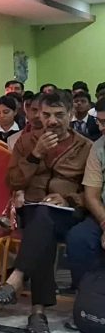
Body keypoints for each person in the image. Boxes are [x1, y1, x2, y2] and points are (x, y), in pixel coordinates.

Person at [0, 92, 91, 333]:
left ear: (70, 115)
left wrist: (68, 198)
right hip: (33, 210)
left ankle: (19, 284)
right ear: (38, 115)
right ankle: (36, 311)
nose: (52, 121)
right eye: (46, 115)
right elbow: (13, 182)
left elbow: (91, 191)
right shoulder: (26, 142)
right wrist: (35, 154)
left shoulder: (85, 147)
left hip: (69, 213)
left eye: (59, 115)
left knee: (42, 222)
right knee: (42, 225)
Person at [66, 97, 105, 290]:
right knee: (79, 237)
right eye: (99, 122)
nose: (102, 128)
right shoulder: (99, 147)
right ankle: (88, 295)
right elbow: (91, 195)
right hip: (102, 213)